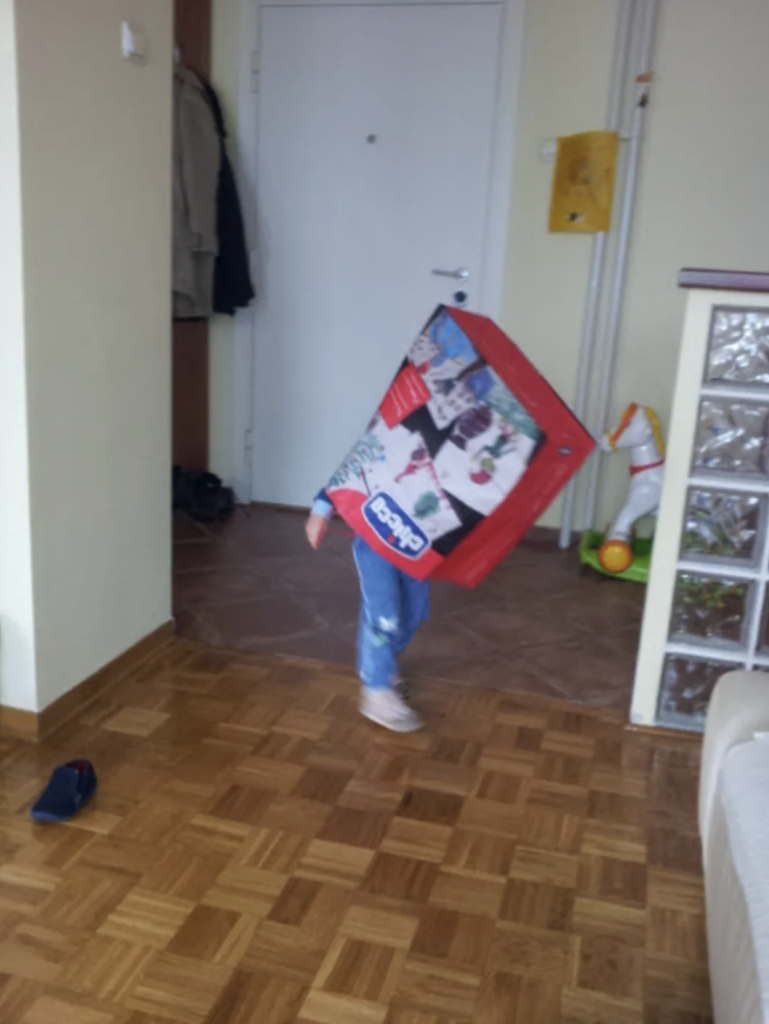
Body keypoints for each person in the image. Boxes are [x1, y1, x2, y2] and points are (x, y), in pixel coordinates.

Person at [305, 488, 428, 732]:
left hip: (421, 540)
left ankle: (386, 661)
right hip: (376, 537)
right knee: (384, 615)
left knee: (412, 611)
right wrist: (321, 510)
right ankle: (376, 688)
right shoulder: (383, 448)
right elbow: (352, 468)